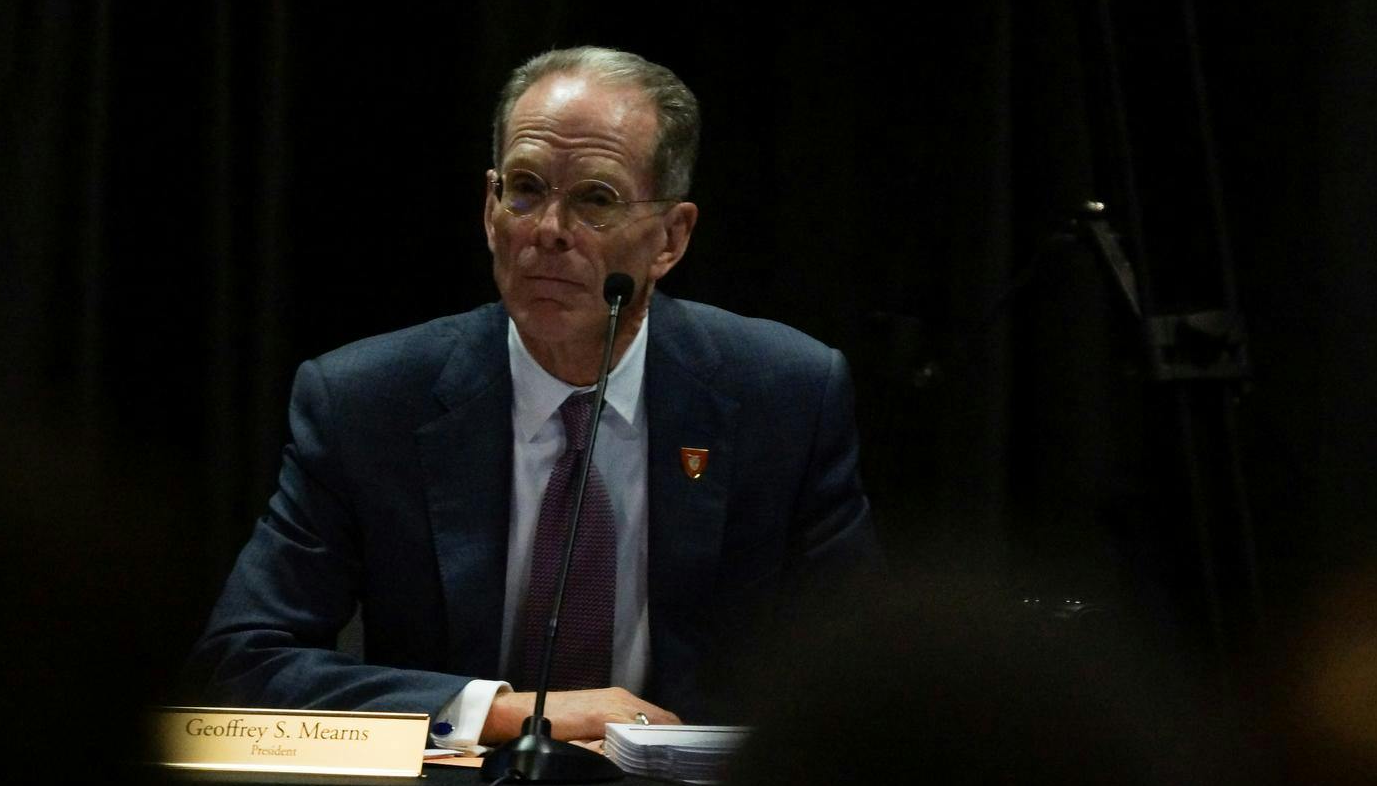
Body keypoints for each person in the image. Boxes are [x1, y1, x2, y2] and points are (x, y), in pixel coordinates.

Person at [187, 46, 878, 748]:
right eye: (525, 188)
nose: (548, 230)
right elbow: (240, 661)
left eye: (595, 199)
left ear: (671, 236)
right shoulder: (367, 402)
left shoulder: (785, 396)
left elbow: (868, 679)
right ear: (490, 210)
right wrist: (506, 713)